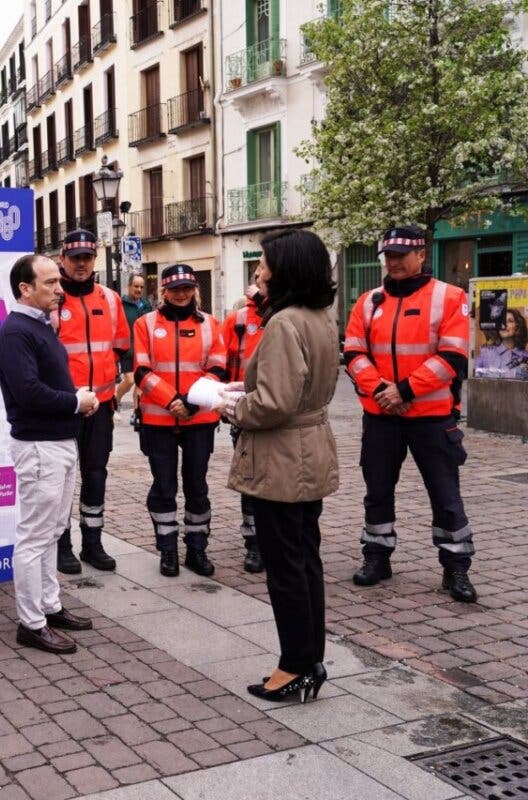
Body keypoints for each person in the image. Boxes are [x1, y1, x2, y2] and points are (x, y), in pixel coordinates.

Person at [219, 230, 339, 703]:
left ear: (285, 270)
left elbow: (273, 403)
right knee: (305, 559)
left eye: (265, 264)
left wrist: (229, 406)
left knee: (285, 566)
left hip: (283, 458)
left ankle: (293, 666)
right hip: (309, 451)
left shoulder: (285, 322)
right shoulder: (319, 316)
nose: (259, 272)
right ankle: (309, 658)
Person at [343, 226, 477, 603]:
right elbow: (353, 354)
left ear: (422, 254)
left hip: (432, 417)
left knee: (445, 494)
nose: (395, 261)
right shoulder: (368, 302)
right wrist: (381, 391)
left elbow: (452, 357)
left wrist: (402, 390)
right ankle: (376, 556)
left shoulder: (449, 297)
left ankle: (455, 569)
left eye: (403, 253)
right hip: (382, 415)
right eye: (390, 254)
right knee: (377, 491)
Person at [0, 254, 99, 654]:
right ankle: (31, 623)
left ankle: (49, 607)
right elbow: (28, 393)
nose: (60, 289)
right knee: (35, 536)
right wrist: (77, 402)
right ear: (25, 288)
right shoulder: (15, 333)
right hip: (39, 445)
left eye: (59, 282)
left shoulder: (38, 327)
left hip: (57, 444)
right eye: (51, 283)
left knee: (53, 531)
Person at [132, 264, 228, 577]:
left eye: (187, 288)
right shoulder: (146, 323)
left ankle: (197, 550)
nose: (182, 294)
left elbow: (218, 369)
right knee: (164, 486)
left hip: (198, 420)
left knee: (197, 485)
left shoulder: (211, 324)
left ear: (194, 290)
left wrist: (189, 402)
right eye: (175, 289)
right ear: (163, 291)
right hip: (158, 420)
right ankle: (168, 550)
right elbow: (141, 371)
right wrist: (171, 400)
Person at [53, 229, 132, 575]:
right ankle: (62, 544)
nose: (82, 264)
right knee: (61, 479)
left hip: (100, 407)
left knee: (95, 474)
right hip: (64, 409)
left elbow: (121, 348)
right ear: (63, 261)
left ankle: (93, 543)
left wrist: (119, 393)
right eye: (75, 258)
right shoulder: (53, 301)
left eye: (87, 257)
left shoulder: (110, 299)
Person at [222, 272, 266, 573]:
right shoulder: (239, 319)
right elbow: (221, 362)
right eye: (257, 275)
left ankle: (278, 540)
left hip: (283, 413)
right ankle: (254, 544)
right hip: (246, 412)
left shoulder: (290, 315)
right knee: (250, 480)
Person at [115, 274, 154, 405]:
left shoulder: (146, 305)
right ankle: (115, 400)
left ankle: (136, 413)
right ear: (129, 286)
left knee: (140, 383)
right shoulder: (121, 304)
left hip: (144, 350)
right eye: (136, 286)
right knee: (130, 380)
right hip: (127, 350)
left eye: (141, 287)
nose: (139, 289)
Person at [475, 307, 528, 379]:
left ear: (517, 327)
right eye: (501, 321)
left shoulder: (525, 356)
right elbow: (475, 372)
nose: (504, 325)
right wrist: (513, 373)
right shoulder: (486, 352)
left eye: (510, 321)